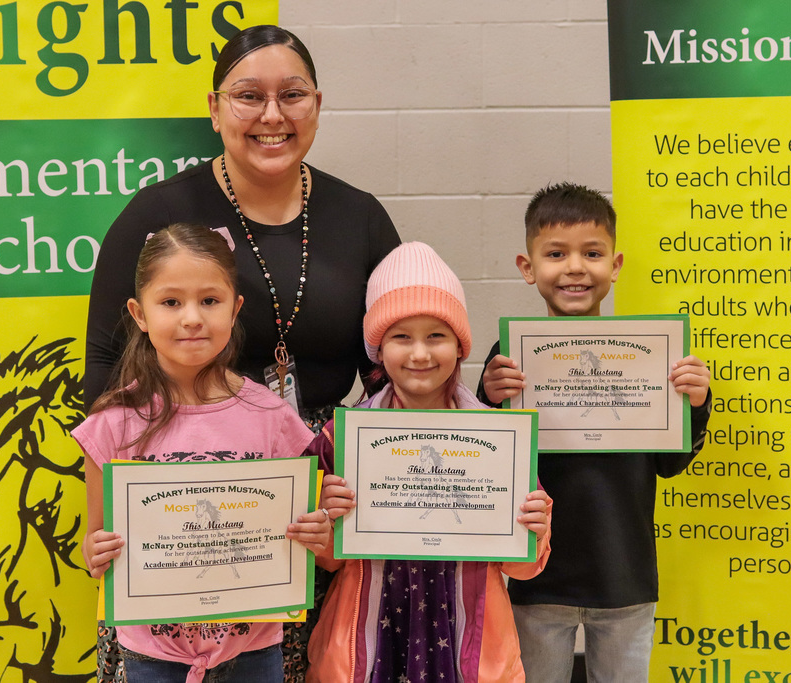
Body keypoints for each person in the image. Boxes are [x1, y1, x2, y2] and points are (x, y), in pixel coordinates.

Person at [83, 25, 401, 680]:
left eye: (293, 95)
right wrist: (133, 515)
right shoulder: (160, 213)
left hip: (313, 507)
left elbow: (396, 366)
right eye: (248, 96)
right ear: (214, 107)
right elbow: (101, 368)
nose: (272, 115)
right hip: (180, 512)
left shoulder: (360, 216)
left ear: (317, 103)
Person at [74, 224, 331, 683]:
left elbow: (302, 534)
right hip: (153, 656)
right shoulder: (113, 423)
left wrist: (315, 531)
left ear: (235, 310)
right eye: (171, 302)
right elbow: (92, 548)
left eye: (209, 301)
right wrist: (96, 553)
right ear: (139, 313)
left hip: (255, 651)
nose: (192, 317)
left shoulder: (272, 417)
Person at [476, 183, 712, 682]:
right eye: (556, 254)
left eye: (593, 253)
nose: (576, 267)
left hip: (623, 572)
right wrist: (490, 398)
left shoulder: (650, 355)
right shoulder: (510, 357)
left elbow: (670, 465)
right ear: (528, 266)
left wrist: (694, 403)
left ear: (616, 265)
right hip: (535, 576)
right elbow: (486, 469)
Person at [306, 242, 553, 683]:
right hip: (368, 639)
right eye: (402, 337)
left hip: (468, 642)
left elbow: (522, 566)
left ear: (459, 346)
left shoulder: (500, 438)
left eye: (436, 335)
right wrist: (323, 522)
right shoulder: (340, 438)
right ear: (379, 350)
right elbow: (325, 560)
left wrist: (535, 528)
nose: (420, 354)